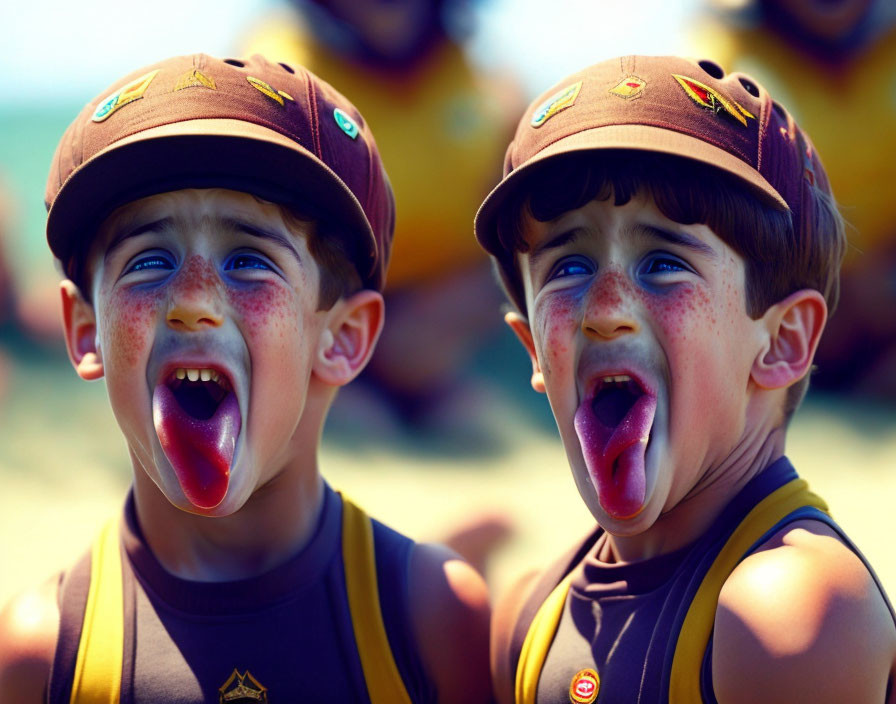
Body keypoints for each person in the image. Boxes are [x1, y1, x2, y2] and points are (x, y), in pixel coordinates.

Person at [0, 53, 490, 703]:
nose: (195, 299)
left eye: (249, 259)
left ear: (343, 339)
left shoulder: (429, 616)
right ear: (85, 329)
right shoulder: (45, 651)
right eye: (149, 259)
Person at [473, 55, 896, 703]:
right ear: (533, 349)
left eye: (664, 262)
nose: (606, 311)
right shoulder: (532, 617)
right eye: (567, 266)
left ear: (782, 342)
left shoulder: (786, 613)